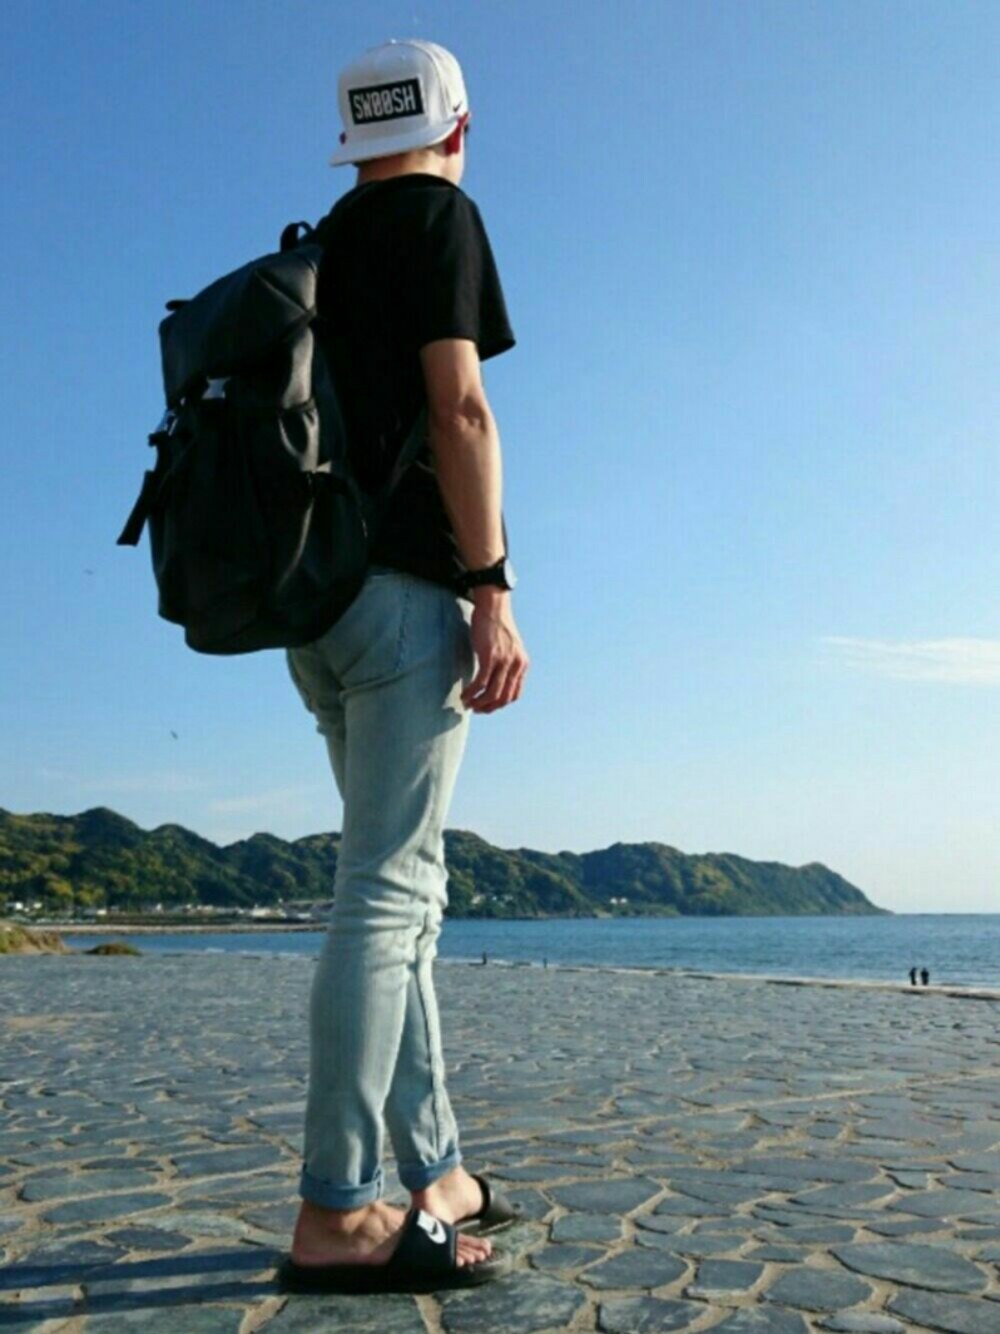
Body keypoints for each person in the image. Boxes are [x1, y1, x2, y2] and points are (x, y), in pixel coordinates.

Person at [278, 39, 530, 1294]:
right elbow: (459, 407)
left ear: (352, 139)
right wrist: (491, 585)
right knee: (384, 896)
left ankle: (437, 1171)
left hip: (315, 608)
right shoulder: (440, 218)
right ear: (458, 127)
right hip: (404, 595)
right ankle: (338, 1209)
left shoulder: (317, 245)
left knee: (405, 897)